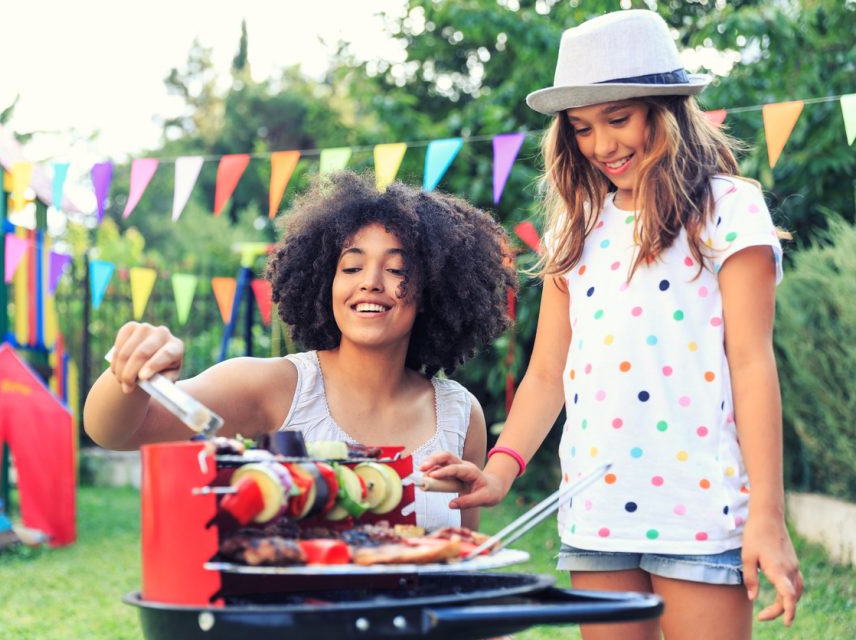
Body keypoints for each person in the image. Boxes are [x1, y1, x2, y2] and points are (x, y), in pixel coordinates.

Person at [421, 9, 802, 639]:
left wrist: (767, 514)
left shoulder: (729, 209)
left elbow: (752, 362)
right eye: (582, 129)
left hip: (702, 509)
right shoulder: (575, 227)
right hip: (594, 510)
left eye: (618, 119)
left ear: (665, 109)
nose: (601, 145)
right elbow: (547, 374)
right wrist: (500, 469)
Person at [84, 170, 517, 532]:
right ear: (325, 282)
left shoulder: (461, 413)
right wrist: (130, 374)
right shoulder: (273, 387)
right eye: (351, 267)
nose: (370, 281)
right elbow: (117, 433)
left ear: (430, 292)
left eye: (397, 269)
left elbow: (462, 559)